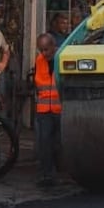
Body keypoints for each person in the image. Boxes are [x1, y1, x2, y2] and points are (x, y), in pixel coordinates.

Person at [33, 32, 62, 188]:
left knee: (59, 143)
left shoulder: (62, 57)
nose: (44, 53)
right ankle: (47, 175)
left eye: (46, 49)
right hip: (44, 109)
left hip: (60, 108)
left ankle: (60, 172)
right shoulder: (39, 60)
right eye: (41, 50)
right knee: (44, 143)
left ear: (53, 46)